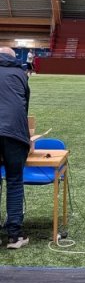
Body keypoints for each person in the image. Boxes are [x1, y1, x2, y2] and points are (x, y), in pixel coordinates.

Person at [0, 46, 31, 249]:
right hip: (14, 133)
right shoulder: (21, 73)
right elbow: (24, 106)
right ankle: (14, 235)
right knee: (14, 181)